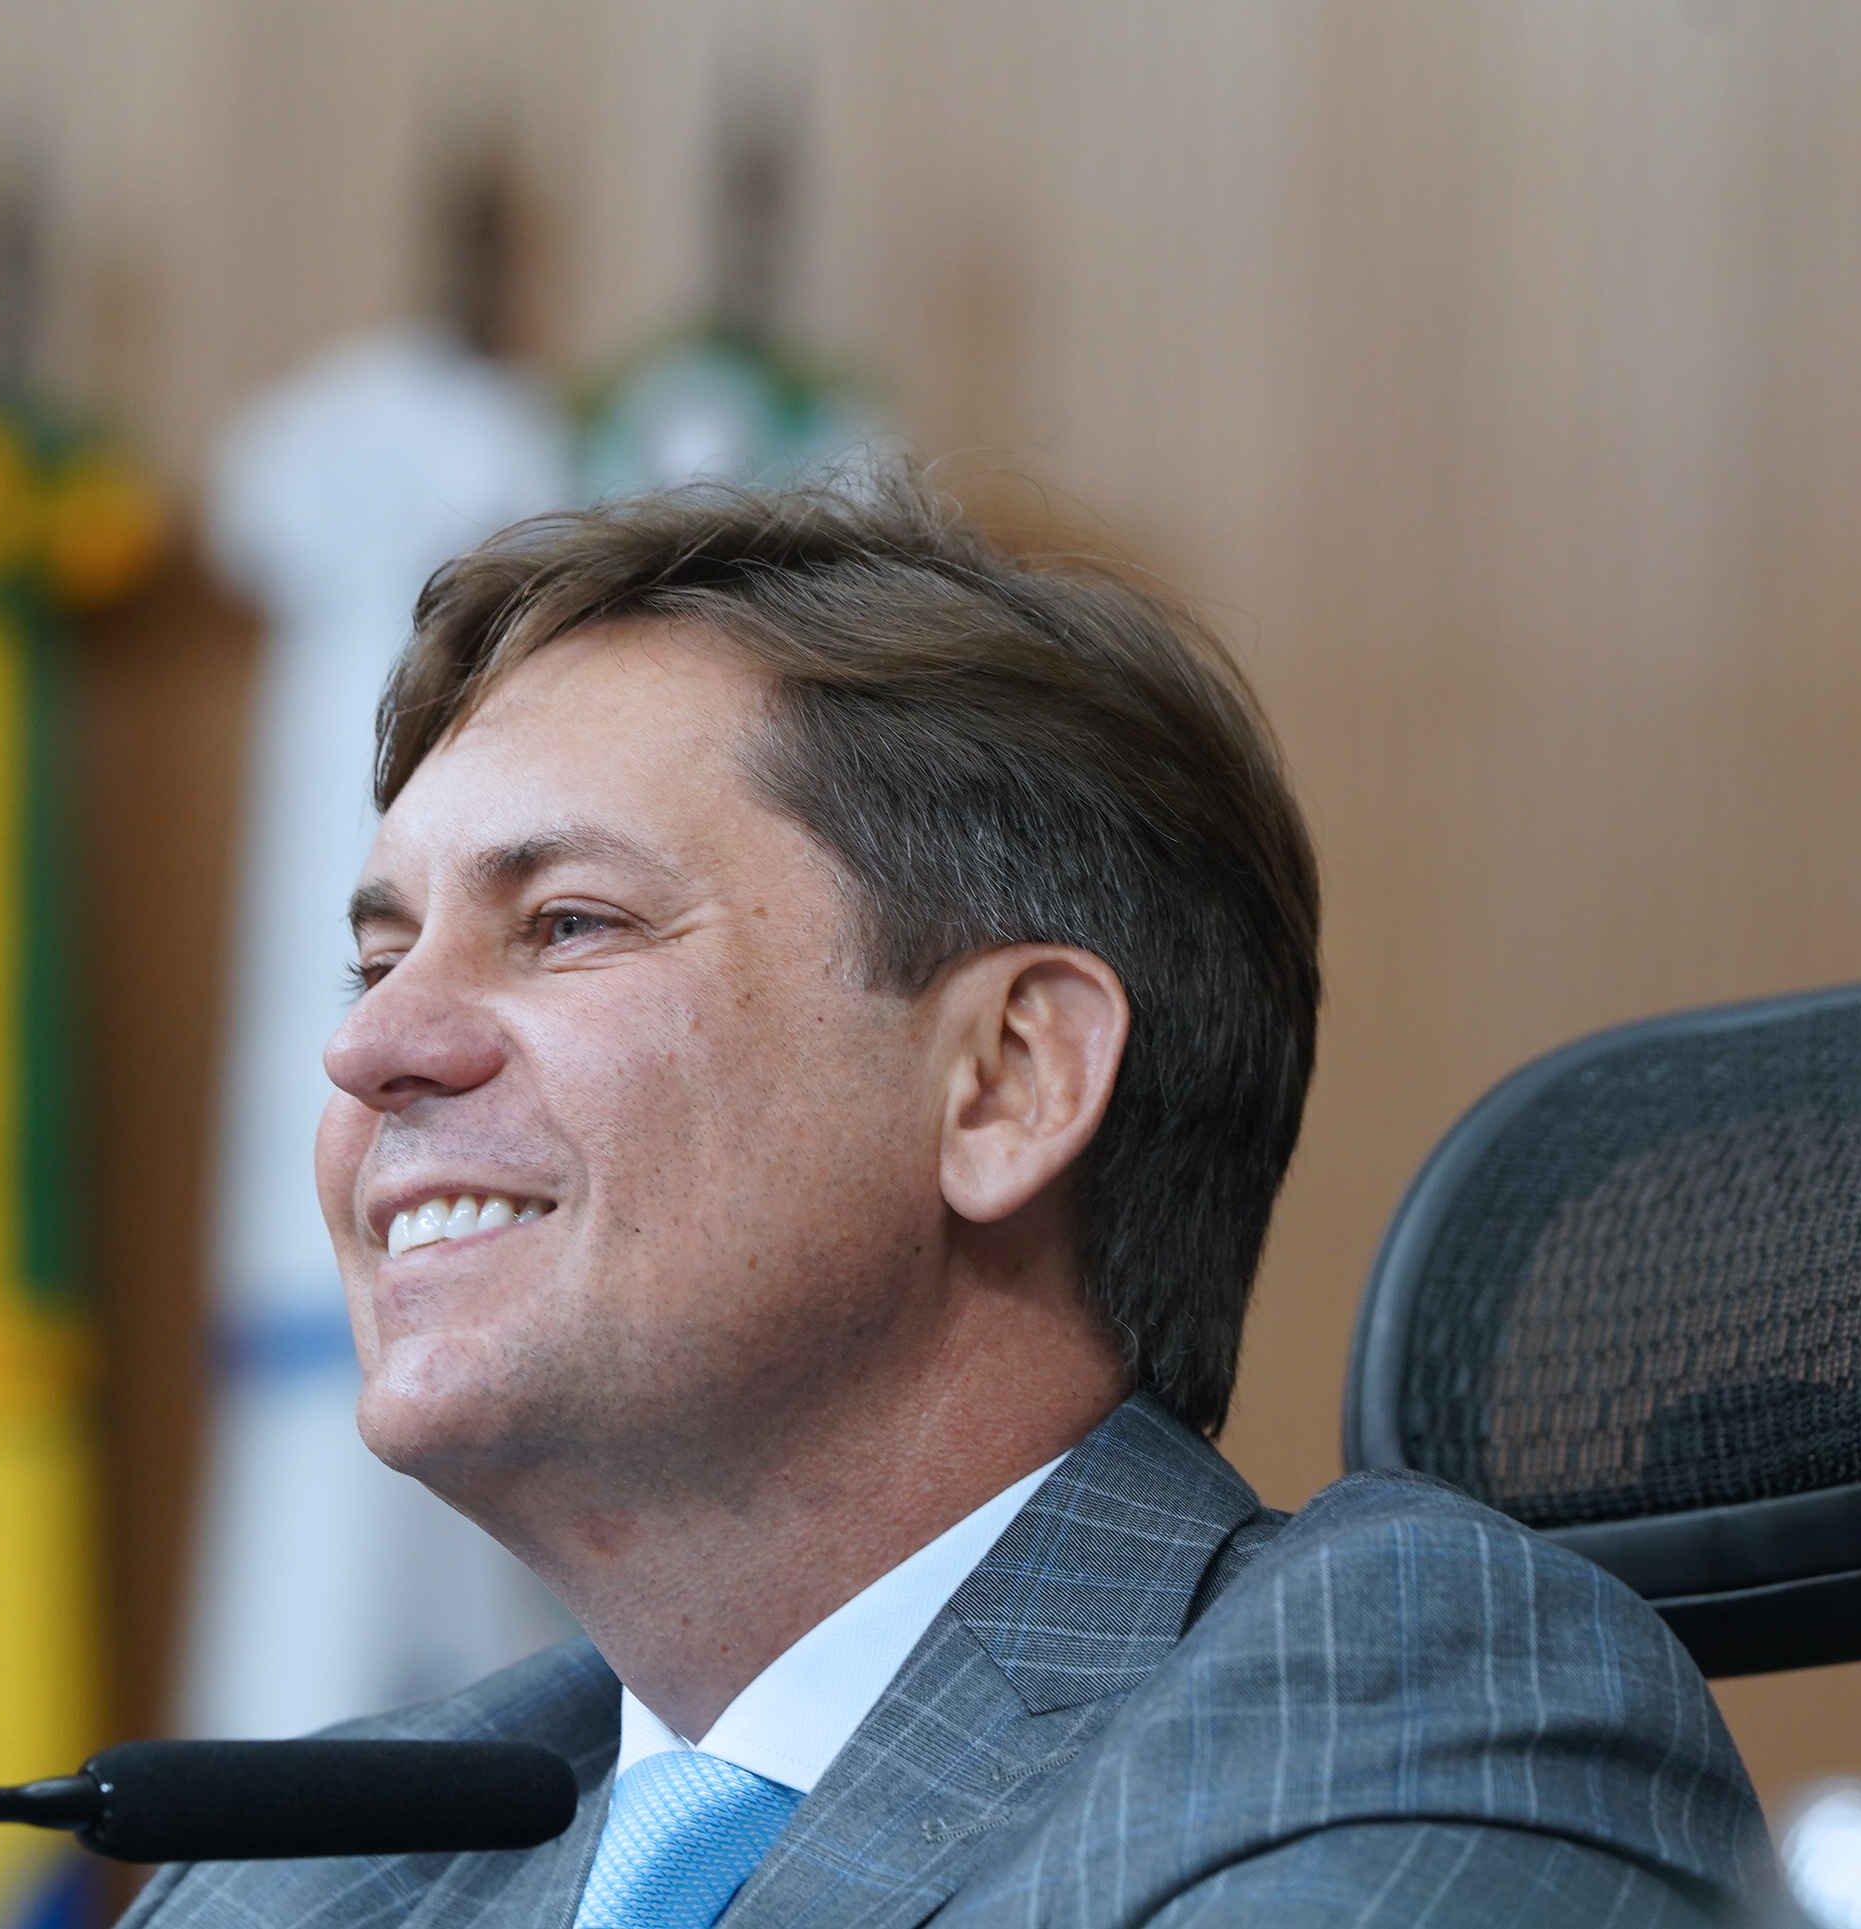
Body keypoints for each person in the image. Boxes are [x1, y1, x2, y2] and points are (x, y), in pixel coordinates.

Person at [127, 476, 1765, 1927]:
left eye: (566, 923)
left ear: (1004, 1080)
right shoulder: (310, 1868)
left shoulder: (1405, 1700)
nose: (367, 1048)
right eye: (374, 960)